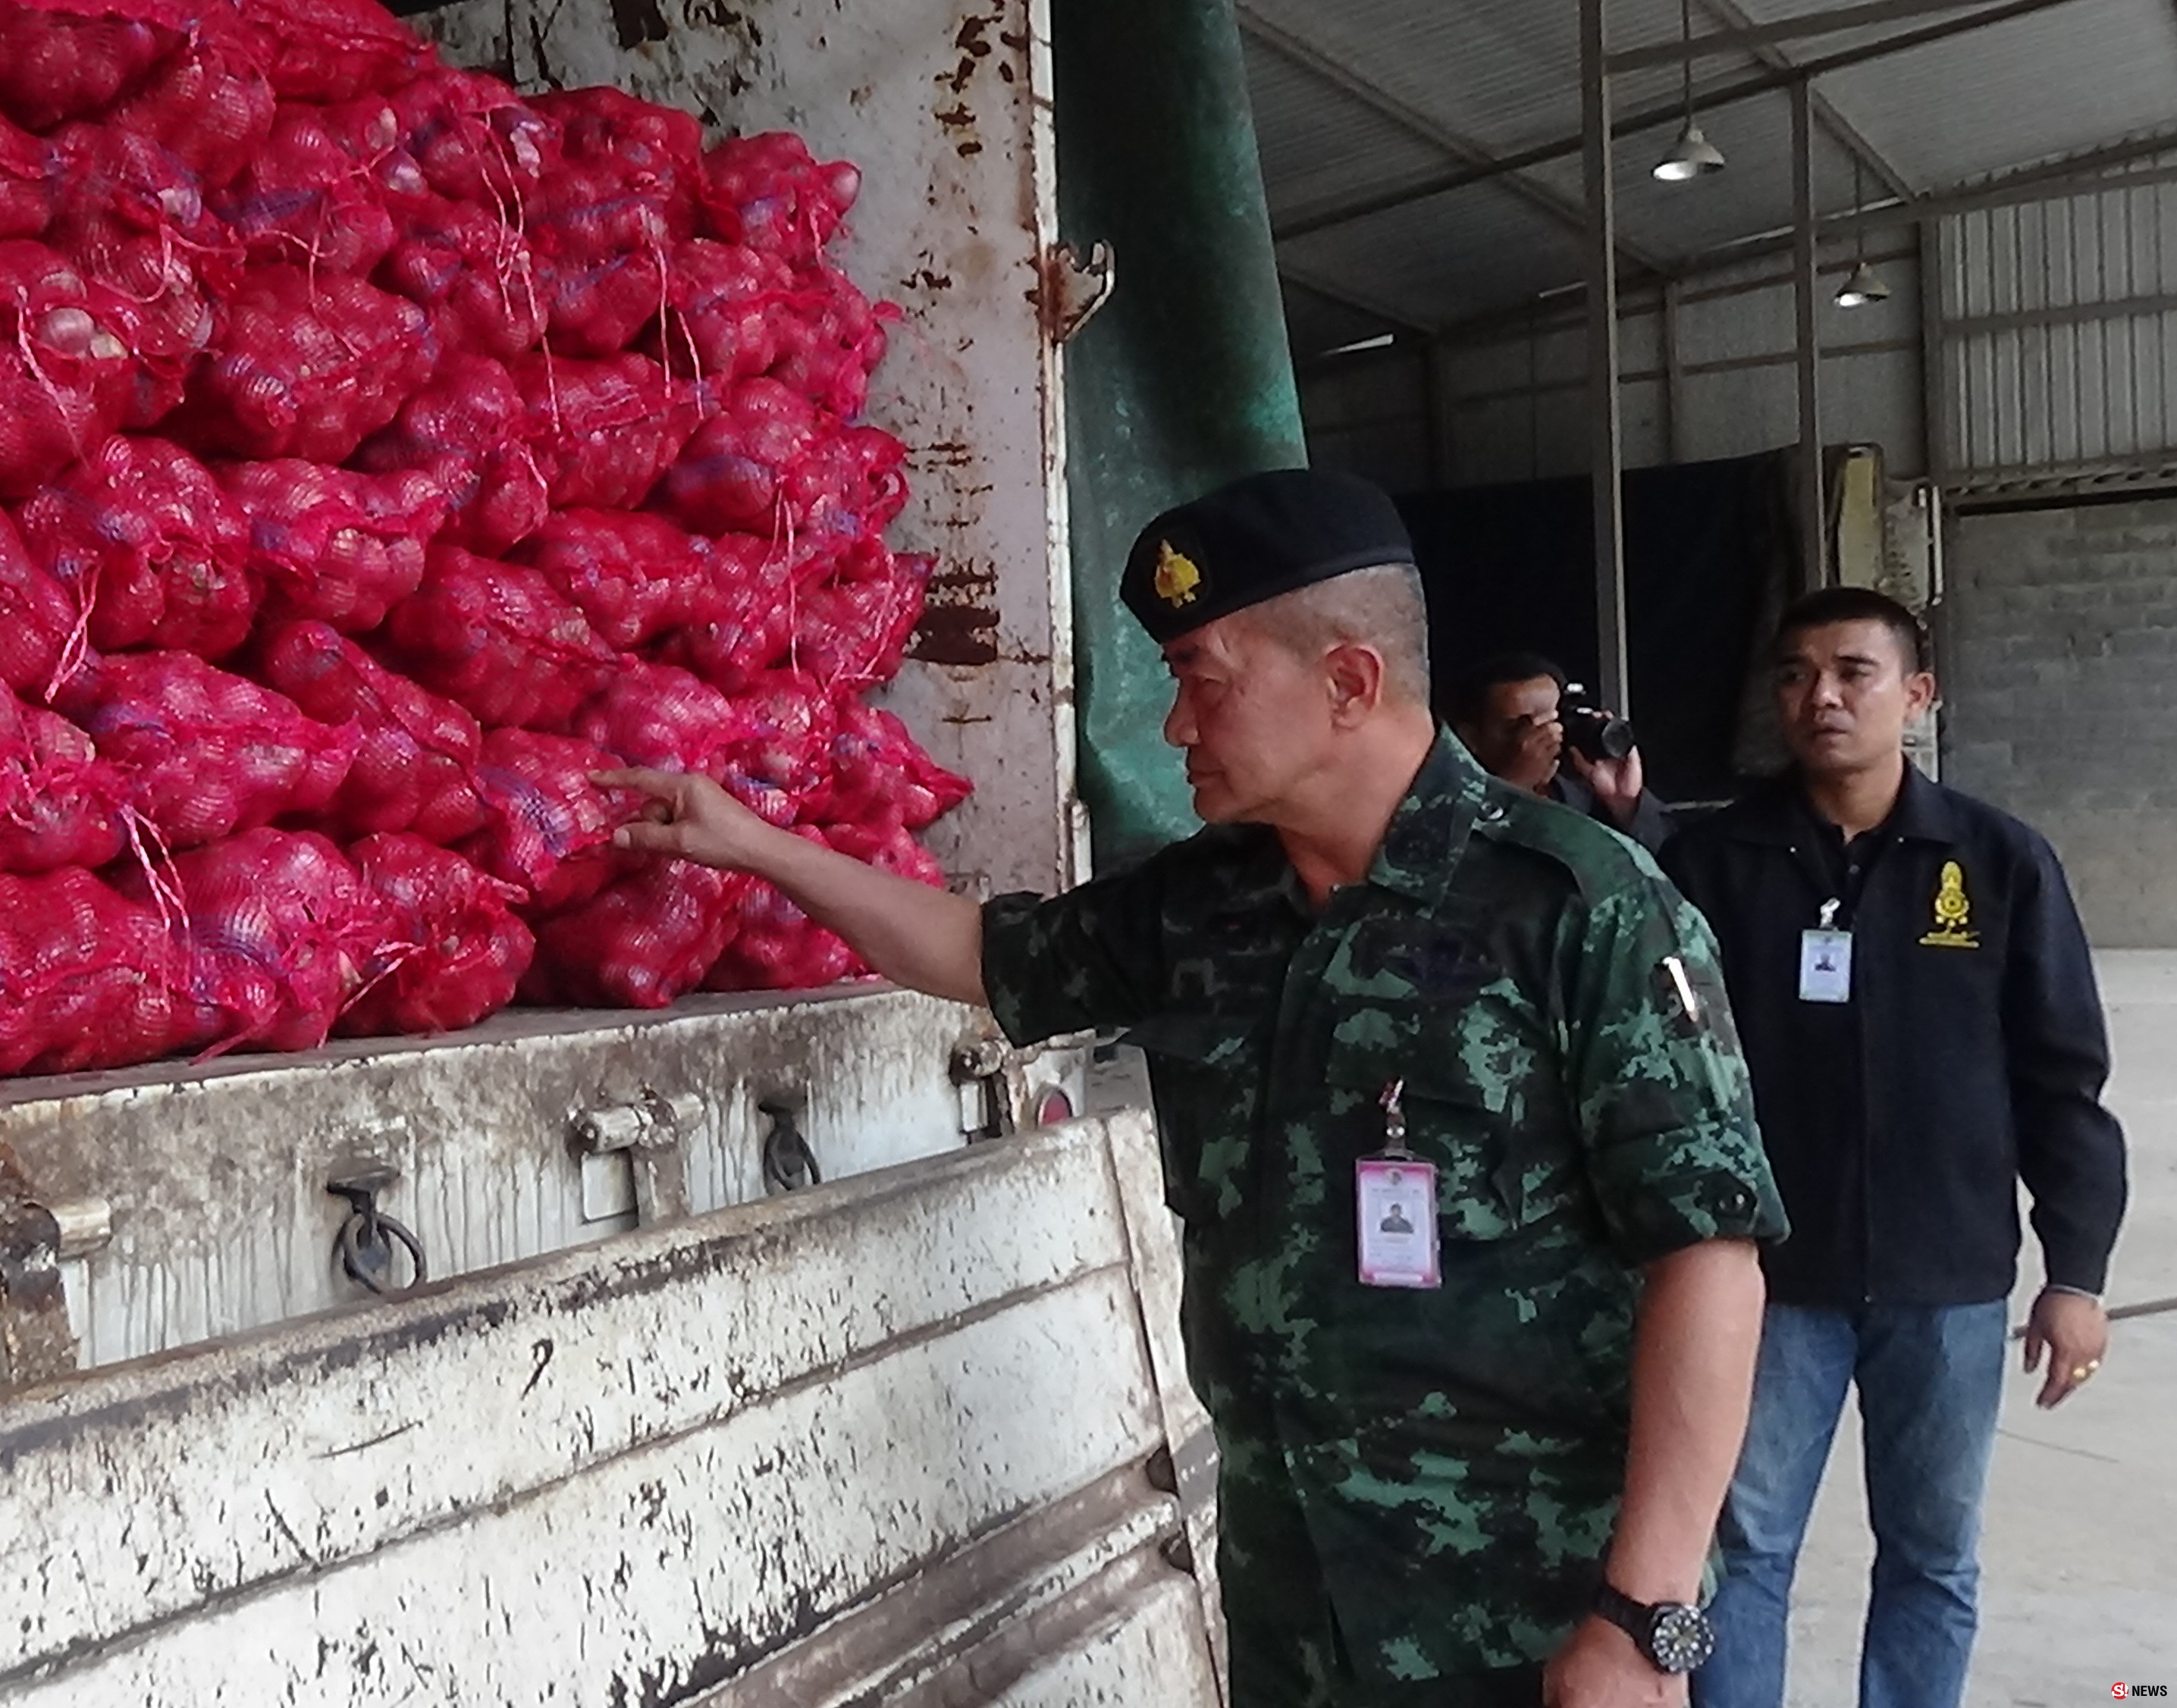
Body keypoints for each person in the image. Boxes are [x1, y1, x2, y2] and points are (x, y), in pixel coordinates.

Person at [602, 469, 1785, 1708]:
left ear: (1347, 683)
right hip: (1292, 1596)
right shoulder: (1204, 902)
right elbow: (979, 955)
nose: (1173, 727)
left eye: (1200, 680)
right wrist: (755, 844)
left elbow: (1708, 1256)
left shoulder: (1579, 909)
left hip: (1521, 1617)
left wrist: (1641, 1616)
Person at [1661, 588, 2128, 1708]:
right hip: (1767, 1281)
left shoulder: (1999, 863)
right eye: (1794, 673)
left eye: (1853, 671)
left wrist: (2078, 1274)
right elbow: (1661, 1074)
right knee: (1744, 1552)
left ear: (1916, 694)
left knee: (1931, 1555)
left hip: (1948, 1281)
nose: (1820, 696)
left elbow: (2063, 1079)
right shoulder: (1716, 865)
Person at [1448, 651, 1673, 852]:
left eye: (1554, 719)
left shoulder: (1584, 798)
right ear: (1470, 736)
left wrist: (1626, 803)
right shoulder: (1447, 801)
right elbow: (1453, 869)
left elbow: (1675, 867)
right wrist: (1513, 789)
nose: (1546, 734)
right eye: (1517, 727)